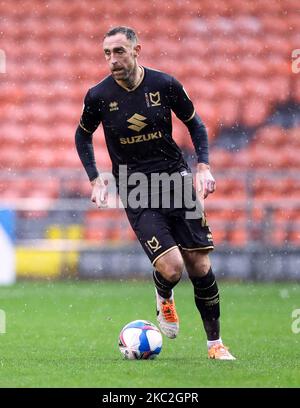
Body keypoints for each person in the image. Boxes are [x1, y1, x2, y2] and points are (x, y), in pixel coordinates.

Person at [75, 26, 235, 360]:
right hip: (136, 187)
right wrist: (95, 178)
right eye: (107, 53)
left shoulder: (165, 85)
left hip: (176, 180)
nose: (112, 59)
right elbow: (82, 135)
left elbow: (196, 124)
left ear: (136, 50)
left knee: (199, 264)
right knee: (173, 267)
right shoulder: (99, 96)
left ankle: (215, 345)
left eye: (119, 51)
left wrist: (203, 165)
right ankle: (164, 295)